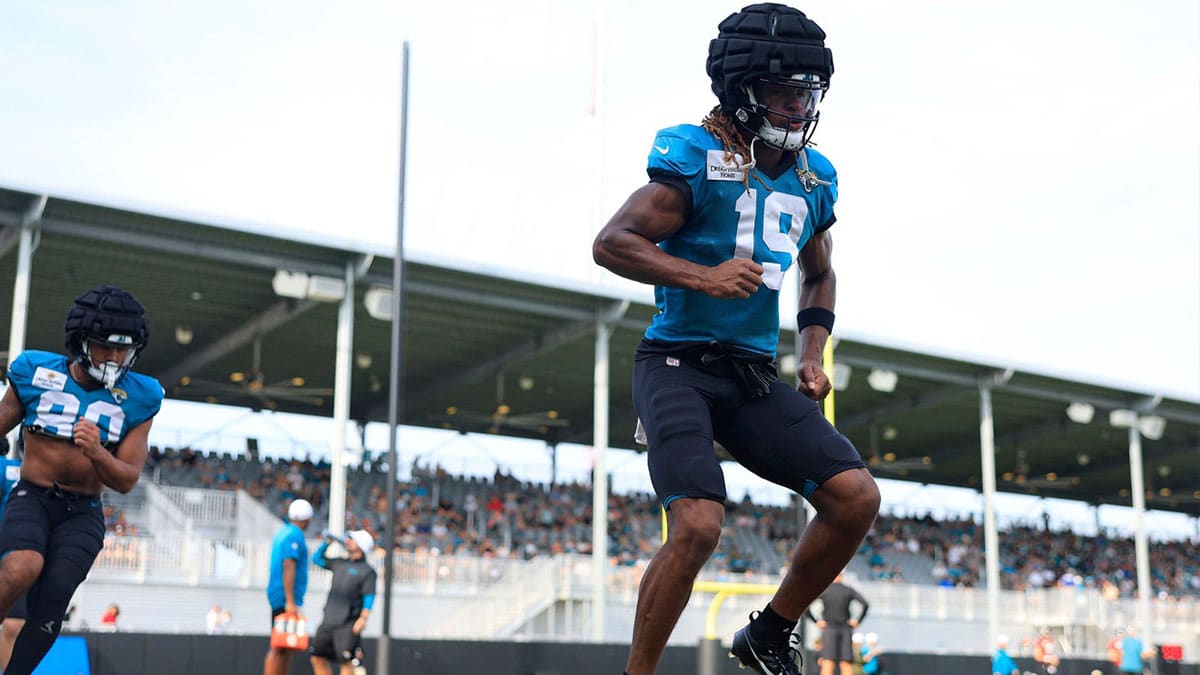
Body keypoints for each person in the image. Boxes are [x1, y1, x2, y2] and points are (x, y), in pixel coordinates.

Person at [592, 4, 880, 674]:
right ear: (743, 91)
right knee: (696, 524)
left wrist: (811, 354)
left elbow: (820, 271)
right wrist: (704, 274)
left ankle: (770, 631)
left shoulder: (813, 177)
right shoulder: (697, 156)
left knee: (856, 496)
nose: (798, 105)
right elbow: (612, 243)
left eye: (807, 92)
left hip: (750, 374)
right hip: (676, 363)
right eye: (784, 91)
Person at [0, 285, 162, 675]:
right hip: (32, 496)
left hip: (83, 511)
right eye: (104, 346)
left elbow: (126, 480)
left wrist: (97, 452)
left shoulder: (141, 396)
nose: (114, 356)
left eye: (122, 348)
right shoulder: (34, 372)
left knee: (54, 597)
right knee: (22, 566)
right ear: (81, 341)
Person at [309, 529, 378, 675]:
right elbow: (316, 559)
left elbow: (369, 596)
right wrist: (326, 543)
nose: (348, 541)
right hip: (328, 620)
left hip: (348, 624)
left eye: (352, 539)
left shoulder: (367, 571)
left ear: (361, 545)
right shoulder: (339, 563)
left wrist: (363, 618)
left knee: (346, 662)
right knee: (317, 657)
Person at [264, 498, 313, 675]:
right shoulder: (294, 535)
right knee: (279, 644)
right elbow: (289, 565)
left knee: (285, 645)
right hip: (284, 598)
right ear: (306, 518)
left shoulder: (283, 532)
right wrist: (290, 601)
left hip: (282, 596)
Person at [805, 571, 870, 675]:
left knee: (828, 662)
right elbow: (865, 604)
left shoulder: (825, 590)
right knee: (846, 662)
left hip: (829, 629)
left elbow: (806, 605)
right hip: (845, 629)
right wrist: (858, 621)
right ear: (841, 576)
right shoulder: (848, 590)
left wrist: (816, 621)